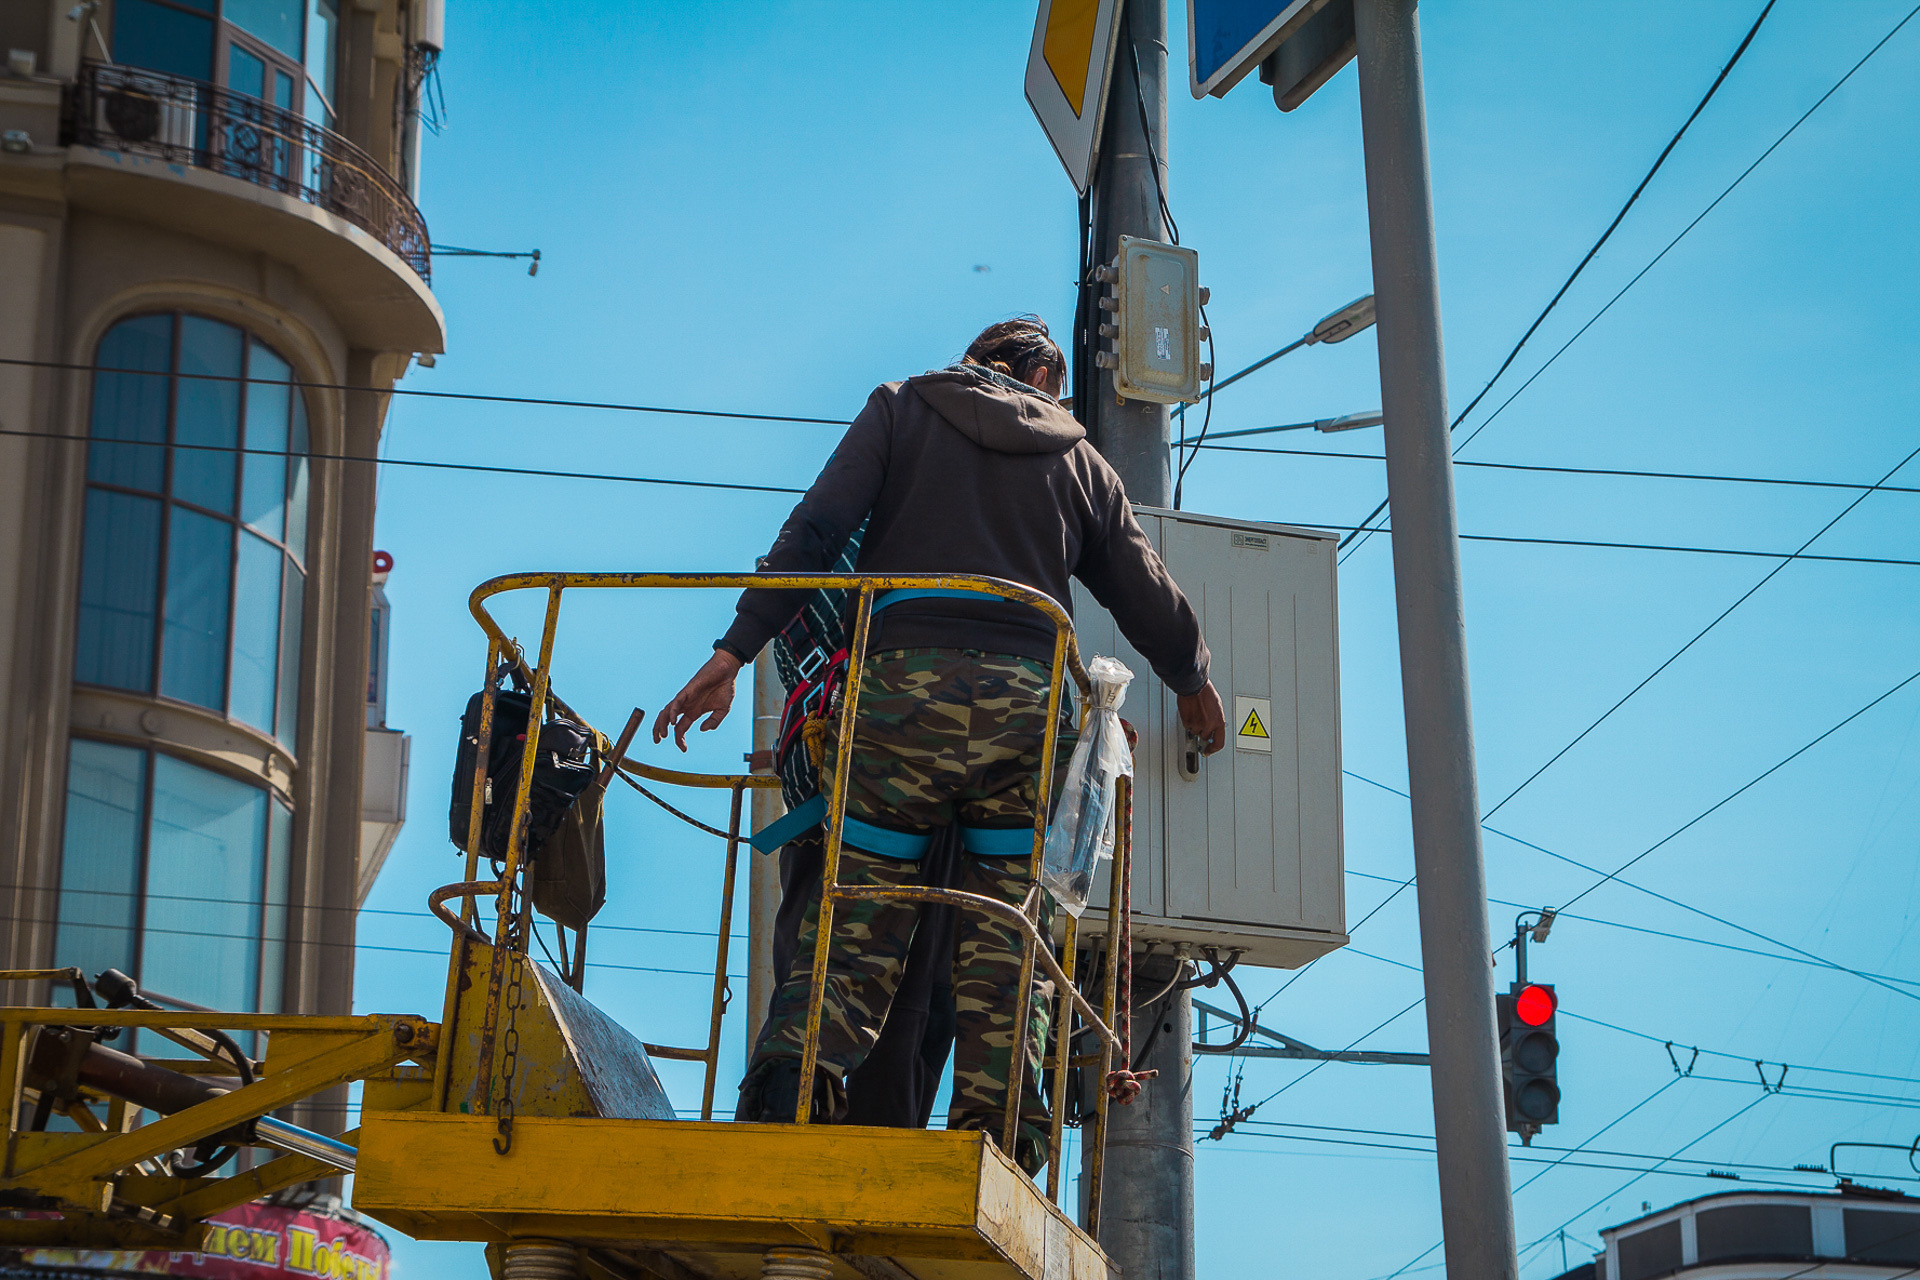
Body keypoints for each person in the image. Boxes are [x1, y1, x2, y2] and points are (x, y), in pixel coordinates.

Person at [652, 316, 1225, 1173]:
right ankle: (1003, 1138)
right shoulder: (1079, 459)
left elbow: (814, 535)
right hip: (1024, 711)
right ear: (1047, 379)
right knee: (1006, 927)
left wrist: (733, 652)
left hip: (899, 696)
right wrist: (1193, 679)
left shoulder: (901, 408)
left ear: (977, 362)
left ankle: (790, 1081)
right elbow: (1144, 587)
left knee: (859, 904)